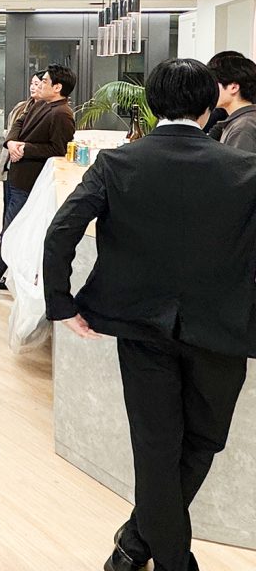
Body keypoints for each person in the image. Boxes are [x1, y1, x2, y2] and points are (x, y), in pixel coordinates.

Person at [42, 58, 256, 571]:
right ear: (209, 105)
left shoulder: (118, 163)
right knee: (204, 439)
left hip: (140, 327)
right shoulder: (245, 169)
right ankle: (174, 560)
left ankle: (137, 542)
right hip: (223, 328)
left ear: (154, 105)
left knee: (157, 448)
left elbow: (60, 231)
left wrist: (62, 303)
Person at [0, 64, 76, 298]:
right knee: (9, 229)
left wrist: (25, 148)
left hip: (30, 182)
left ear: (57, 87)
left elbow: (58, 149)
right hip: (16, 177)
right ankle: (7, 276)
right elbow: (18, 124)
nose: (39, 85)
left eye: (44, 81)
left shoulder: (62, 113)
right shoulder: (40, 104)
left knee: (11, 231)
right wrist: (12, 143)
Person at [0, 72, 43, 220]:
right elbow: (10, 130)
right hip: (9, 163)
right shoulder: (21, 108)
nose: (33, 87)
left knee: (20, 214)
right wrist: (10, 142)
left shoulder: (50, 112)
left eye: (37, 84)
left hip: (28, 168)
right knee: (8, 208)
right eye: (32, 83)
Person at [206, 50, 256, 151]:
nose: (210, 89)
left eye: (214, 84)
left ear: (233, 87)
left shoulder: (243, 127)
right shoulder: (241, 122)